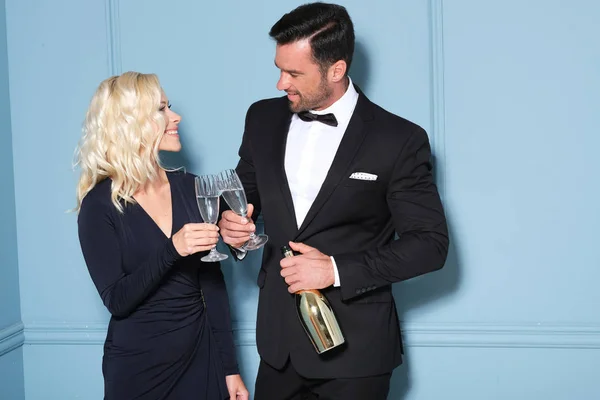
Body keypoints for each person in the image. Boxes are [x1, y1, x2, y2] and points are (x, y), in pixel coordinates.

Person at [218, 2, 449, 399]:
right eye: (279, 68)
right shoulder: (261, 118)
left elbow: (430, 246)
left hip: (356, 355)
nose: (280, 83)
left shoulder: (399, 140)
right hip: (278, 350)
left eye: (293, 73)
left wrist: (334, 271)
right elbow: (240, 199)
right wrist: (232, 226)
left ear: (337, 69)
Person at [75, 71, 248, 400]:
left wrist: (230, 368)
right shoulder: (99, 206)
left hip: (202, 357)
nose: (175, 116)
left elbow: (213, 287)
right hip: (140, 368)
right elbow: (117, 300)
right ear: (130, 123)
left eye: (170, 107)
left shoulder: (192, 188)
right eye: (162, 110)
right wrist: (173, 249)